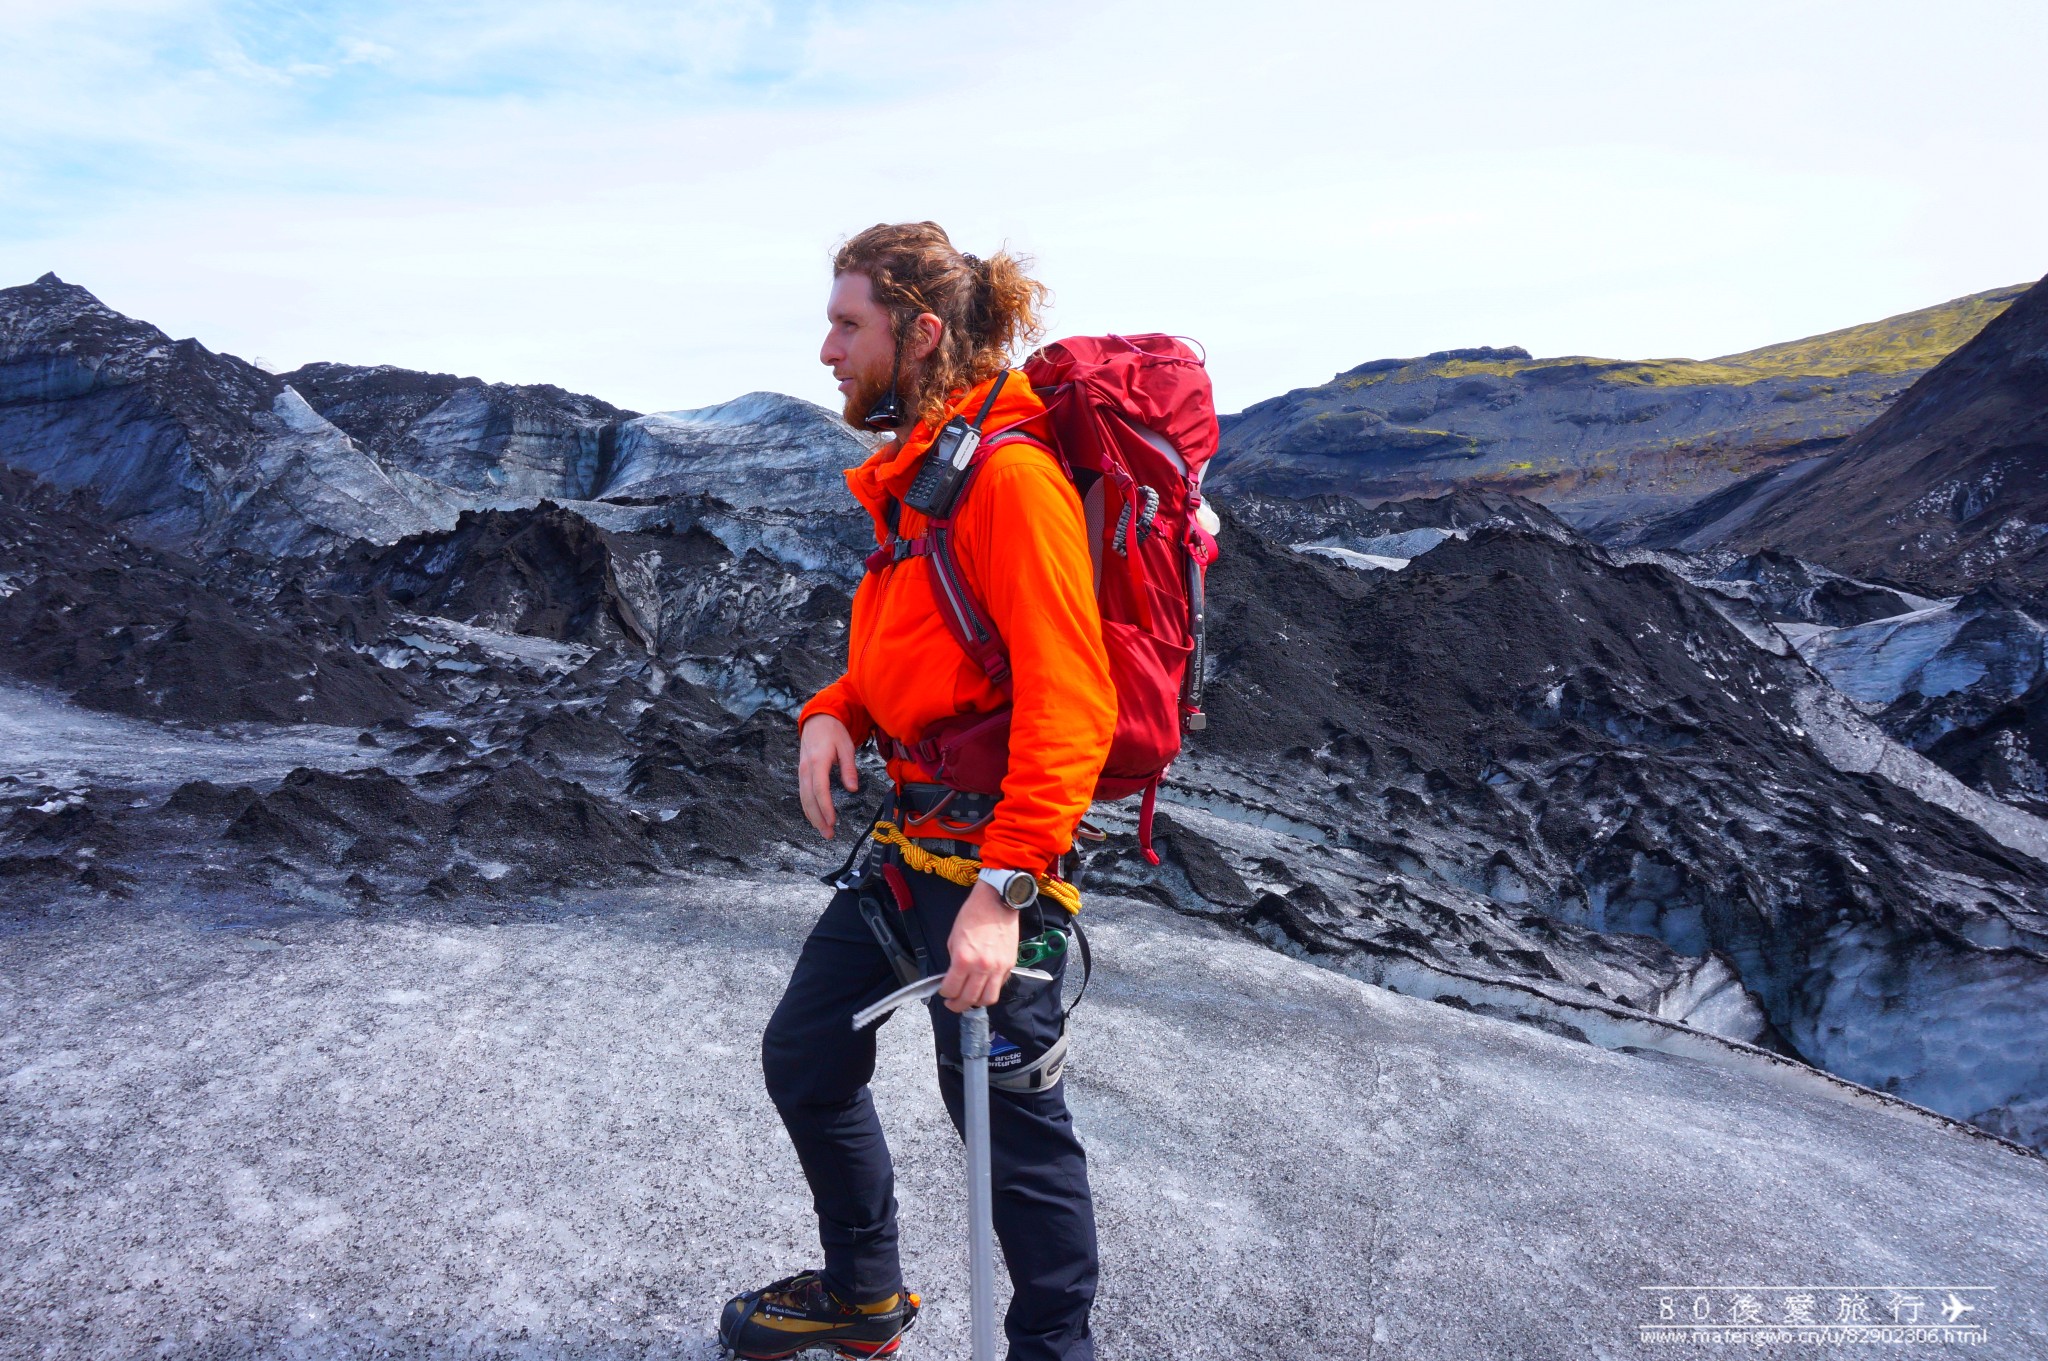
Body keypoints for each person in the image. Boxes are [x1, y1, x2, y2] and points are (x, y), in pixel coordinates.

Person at [716, 222, 1114, 1361]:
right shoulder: (927, 474)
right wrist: (831, 704)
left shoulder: (1009, 479)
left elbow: (1068, 697)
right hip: (911, 851)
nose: (828, 349)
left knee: (1014, 1138)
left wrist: (1004, 889)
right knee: (807, 1051)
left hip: (991, 873)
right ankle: (863, 1292)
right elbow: (915, 650)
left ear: (920, 331)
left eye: (848, 323)